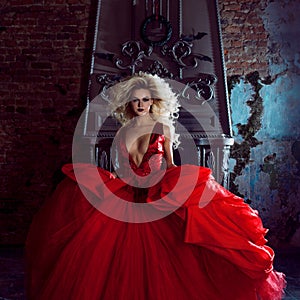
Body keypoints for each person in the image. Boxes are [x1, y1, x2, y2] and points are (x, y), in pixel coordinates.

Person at [26, 73, 286, 299]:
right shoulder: (121, 132)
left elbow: (170, 166)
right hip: (128, 195)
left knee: (179, 258)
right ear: (130, 102)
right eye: (136, 100)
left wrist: (185, 185)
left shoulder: (163, 127)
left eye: (146, 99)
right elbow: (121, 170)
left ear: (154, 101)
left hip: (157, 195)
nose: (141, 104)